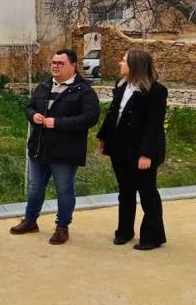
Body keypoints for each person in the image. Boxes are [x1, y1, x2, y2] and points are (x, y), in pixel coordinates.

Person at [10, 49, 100, 245]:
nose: (55, 66)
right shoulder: (43, 86)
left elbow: (90, 118)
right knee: (35, 187)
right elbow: (29, 107)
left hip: (66, 150)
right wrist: (33, 116)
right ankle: (30, 221)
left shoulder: (83, 90)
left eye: (60, 63)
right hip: (39, 147)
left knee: (64, 189)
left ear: (73, 65)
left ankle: (62, 227)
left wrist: (59, 123)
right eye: (53, 62)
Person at [97, 49, 168, 250]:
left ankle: (152, 236)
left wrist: (146, 154)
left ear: (135, 65)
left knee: (147, 194)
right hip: (119, 148)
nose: (120, 63)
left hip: (142, 151)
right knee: (125, 192)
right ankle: (124, 231)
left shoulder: (156, 91)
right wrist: (103, 137)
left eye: (124, 61)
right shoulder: (121, 86)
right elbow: (113, 115)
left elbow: (154, 125)